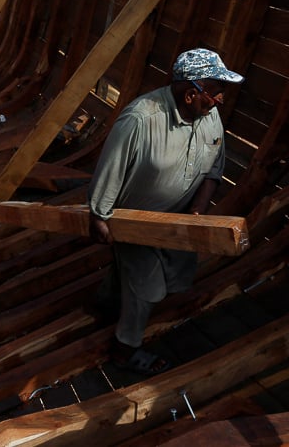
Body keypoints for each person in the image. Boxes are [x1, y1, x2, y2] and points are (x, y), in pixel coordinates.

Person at [88, 48, 244, 375]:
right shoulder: (141, 120)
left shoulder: (208, 115)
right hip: (135, 220)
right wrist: (100, 217)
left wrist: (197, 213)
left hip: (179, 216)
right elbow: (110, 170)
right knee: (148, 288)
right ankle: (124, 348)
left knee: (172, 274)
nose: (220, 100)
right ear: (191, 94)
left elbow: (214, 167)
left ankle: (105, 302)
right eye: (215, 93)